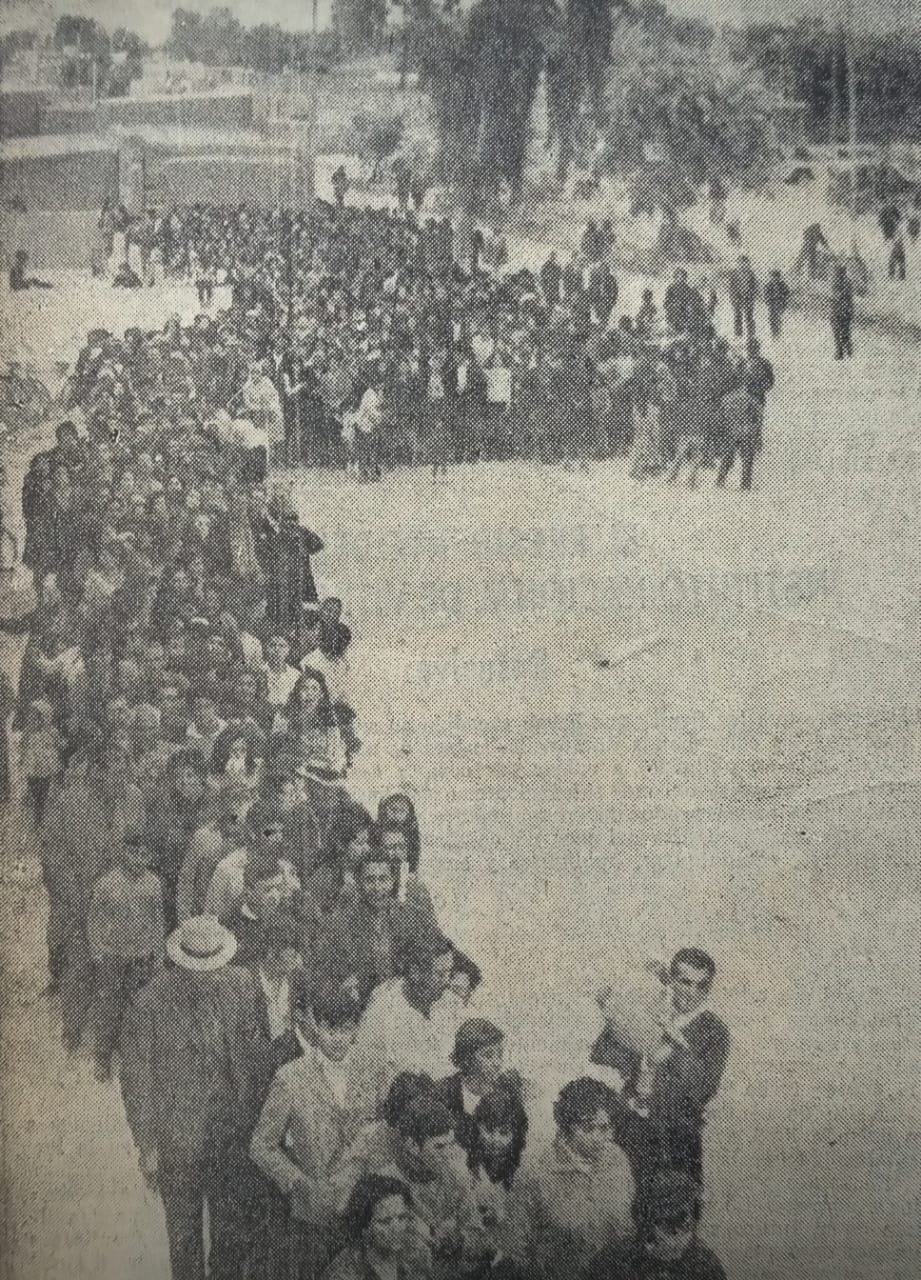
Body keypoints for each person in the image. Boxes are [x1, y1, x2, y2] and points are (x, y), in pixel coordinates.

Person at [119, 916, 263, 1280]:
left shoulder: (241, 985)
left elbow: (251, 1050)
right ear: (181, 964)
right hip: (179, 1142)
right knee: (184, 1236)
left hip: (230, 1132)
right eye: (199, 970)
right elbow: (137, 1081)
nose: (209, 977)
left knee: (231, 1230)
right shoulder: (148, 1005)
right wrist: (148, 1147)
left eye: (216, 967)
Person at [250, 983, 366, 1280]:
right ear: (316, 1026)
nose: (338, 1038)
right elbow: (261, 1145)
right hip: (313, 1214)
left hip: (363, 1208)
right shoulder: (290, 1077)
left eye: (346, 1029)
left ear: (356, 1029)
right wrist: (297, 1182)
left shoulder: (371, 1072)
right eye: (330, 1028)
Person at [591, 950, 729, 1186]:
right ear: (672, 980)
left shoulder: (714, 1030)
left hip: (677, 1142)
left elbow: (704, 1089)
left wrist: (674, 1044)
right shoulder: (645, 1009)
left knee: (677, 1202)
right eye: (686, 982)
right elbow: (600, 1052)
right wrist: (639, 1060)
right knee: (623, 1198)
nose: (693, 992)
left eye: (702, 986)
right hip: (629, 1128)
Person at [509, 1077, 634, 1279]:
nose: (598, 1138)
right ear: (567, 1126)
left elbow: (627, 1228)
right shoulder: (535, 1172)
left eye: (604, 1128)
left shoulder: (618, 1159)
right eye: (587, 1128)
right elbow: (517, 1247)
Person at [347, 931, 458, 1118]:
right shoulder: (380, 1017)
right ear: (415, 973)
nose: (447, 982)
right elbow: (361, 1098)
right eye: (440, 974)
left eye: (449, 972)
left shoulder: (452, 1004)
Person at [86, 830, 165, 1080]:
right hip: (113, 956)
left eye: (144, 855)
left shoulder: (153, 884)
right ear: (124, 852)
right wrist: (97, 950)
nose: (139, 860)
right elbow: (94, 919)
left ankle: (134, 1054)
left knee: (139, 1007)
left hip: (141, 958)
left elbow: (158, 921)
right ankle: (102, 1058)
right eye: (134, 853)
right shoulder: (106, 883)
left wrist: (158, 952)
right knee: (109, 1007)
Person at [582, 1172, 726, 1279]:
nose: (679, 1240)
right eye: (669, 1227)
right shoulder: (611, 1260)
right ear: (646, 1225)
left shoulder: (705, 1265)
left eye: (687, 1227)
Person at [320, 1174, 434, 1280]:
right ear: (364, 1226)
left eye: (401, 1217)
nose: (397, 1228)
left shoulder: (418, 1255)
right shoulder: (344, 1272)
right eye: (385, 1221)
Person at [727, 255, 758, 341]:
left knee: (749, 316)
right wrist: (733, 298)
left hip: (748, 298)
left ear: (747, 264)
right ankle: (738, 335)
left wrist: (752, 297)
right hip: (737, 298)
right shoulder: (733, 273)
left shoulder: (751, 274)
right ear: (738, 263)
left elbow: (754, 287)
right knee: (737, 316)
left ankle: (751, 335)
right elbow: (731, 287)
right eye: (740, 263)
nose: (743, 265)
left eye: (744, 263)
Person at [829, 263, 855, 361]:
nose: (835, 274)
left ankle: (841, 351)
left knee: (840, 331)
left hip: (840, 311)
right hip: (841, 311)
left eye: (836, 272)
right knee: (842, 331)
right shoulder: (844, 282)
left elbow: (837, 296)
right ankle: (846, 349)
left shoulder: (841, 283)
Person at [763, 270, 790, 339]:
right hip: (772, 304)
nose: (774, 279)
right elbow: (765, 295)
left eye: (776, 277)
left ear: (779, 277)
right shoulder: (768, 285)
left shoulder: (783, 285)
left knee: (778, 318)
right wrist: (768, 301)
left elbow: (787, 293)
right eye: (773, 277)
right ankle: (773, 333)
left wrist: (783, 299)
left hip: (780, 303)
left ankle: (778, 333)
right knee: (772, 318)